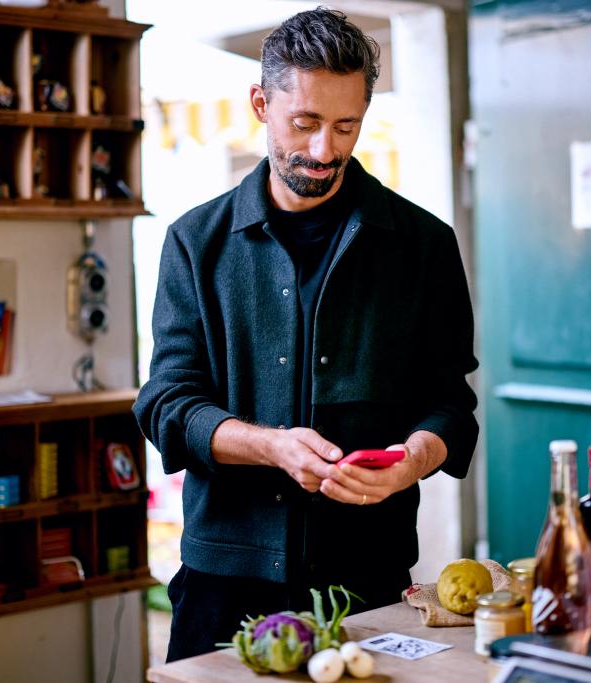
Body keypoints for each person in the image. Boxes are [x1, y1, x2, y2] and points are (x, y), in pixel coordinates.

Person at [133, 7, 478, 663]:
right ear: (261, 104)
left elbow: (451, 406)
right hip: (222, 583)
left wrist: (410, 461)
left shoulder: (423, 244)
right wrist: (271, 447)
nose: (324, 150)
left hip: (368, 582)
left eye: (346, 126)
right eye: (305, 123)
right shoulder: (194, 242)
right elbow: (167, 405)